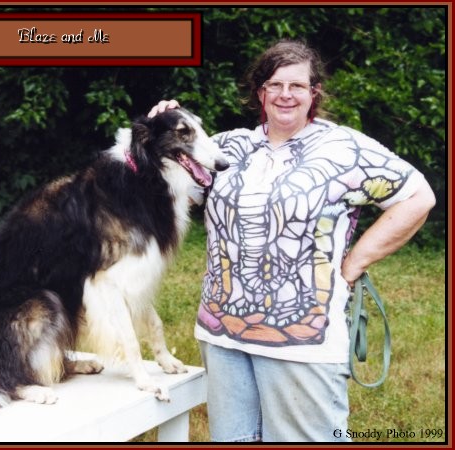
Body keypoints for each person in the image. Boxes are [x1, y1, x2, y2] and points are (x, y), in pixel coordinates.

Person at [149, 39, 436, 442]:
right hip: (222, 334)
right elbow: (160, 189)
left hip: (301, 340)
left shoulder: (343, 148)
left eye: (297, 86)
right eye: (275, 84)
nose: (286, 95)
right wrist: (162, 130)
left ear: (314, 92)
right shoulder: (230, 146)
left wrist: (353, 265)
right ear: (260, 92)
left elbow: (418, 197)